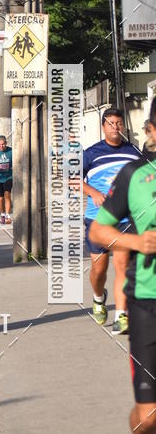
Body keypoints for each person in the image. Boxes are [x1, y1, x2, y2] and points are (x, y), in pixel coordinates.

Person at [89, 98, 156, 434]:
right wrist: (136, 241)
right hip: (148, 302)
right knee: (148, 417)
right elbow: (99, 231)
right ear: (151, 130)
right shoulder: (135, 175)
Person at [83, 108, 142, 333]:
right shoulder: (91, 153)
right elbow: (73, 179)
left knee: (123, 267)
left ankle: (121, 316)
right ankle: (99, 297)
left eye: (118, 123)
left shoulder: (133, 152)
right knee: (99, 269)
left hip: (125, 219)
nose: (115, 127)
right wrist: (93, 193)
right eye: (111, 123)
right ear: (103, 126)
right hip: (97, 220)